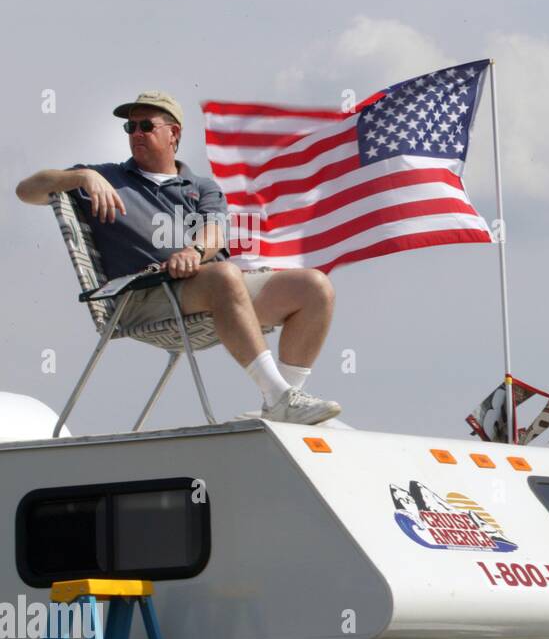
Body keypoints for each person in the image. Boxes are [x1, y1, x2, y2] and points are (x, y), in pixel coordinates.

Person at [16, 90, 341, 425]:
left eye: (146, 125)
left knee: (314, 286)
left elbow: (215, 232)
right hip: (143, 297)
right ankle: (279, 397)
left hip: (211, 289)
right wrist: (80, 177)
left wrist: (194, 252)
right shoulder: (106, 177)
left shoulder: (201, 186)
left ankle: (284, 399)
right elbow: (26, 190)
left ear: (174, 134)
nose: (136, 133)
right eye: (130, 128)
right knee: (224, 276)